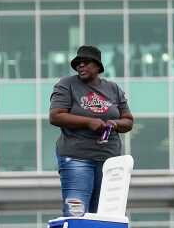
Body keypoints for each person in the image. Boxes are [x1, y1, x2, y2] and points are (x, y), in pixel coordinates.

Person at [48, 45, 134, 217]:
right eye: (78, 63)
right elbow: (55, 116)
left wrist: (114, 124)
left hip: (109, 160)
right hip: (77, 158)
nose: (81, 66)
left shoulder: (113, 89)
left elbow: (128, 121)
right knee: (76, 214)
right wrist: (89, 122)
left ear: (98, 66)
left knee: (105, 215)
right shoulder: (67, 85)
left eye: (86, 62)